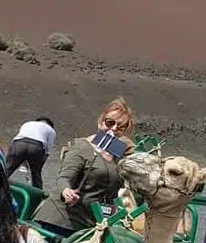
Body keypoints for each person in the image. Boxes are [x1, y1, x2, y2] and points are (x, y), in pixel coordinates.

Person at [34, 97, 135, 231]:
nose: (114, 129)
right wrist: (66, 191)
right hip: (63, 220)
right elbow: (64, 177)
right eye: (110, 123)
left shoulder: (118, 151)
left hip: (94, 223)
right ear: (100, 121)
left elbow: (138, 160)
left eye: (121, 127)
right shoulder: (83, 146)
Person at [5, 116, 55, 189]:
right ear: (49, 125)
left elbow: (19, 137)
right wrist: (40, 164)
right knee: (36, 174)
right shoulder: (51, 130)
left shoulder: (27, 123)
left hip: (18, 144)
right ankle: (37, 195)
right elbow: (48, 149)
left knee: (7, 169)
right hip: (36, 147)